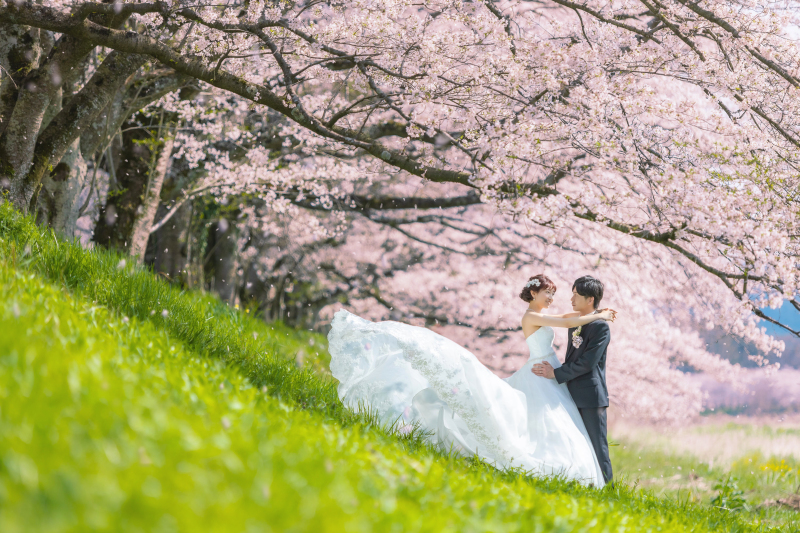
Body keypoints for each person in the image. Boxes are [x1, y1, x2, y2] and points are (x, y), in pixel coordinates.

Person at [327, 274, 615, 486]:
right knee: (537, 420)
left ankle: (590, 474)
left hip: (551, 373)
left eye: (554, 293)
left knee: (551, 421)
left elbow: (568, 317)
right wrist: (599, 314)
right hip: (541, 372)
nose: (554, 298)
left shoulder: (545, 314)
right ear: (534, 294)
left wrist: (595, 315)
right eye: (548, 293)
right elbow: (567, 322)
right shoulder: (531, 317)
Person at [532, 275, 613, 484]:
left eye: (577, 295)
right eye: (572, 293)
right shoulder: (576, 322)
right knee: (577, 444)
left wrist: (556, 374)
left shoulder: (601, 327)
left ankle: (609, 489)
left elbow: (588, 363)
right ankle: (584, 483)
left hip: (590, 397)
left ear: (590, 300)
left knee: (597, 445)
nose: (572, 299)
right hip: (569, 393)